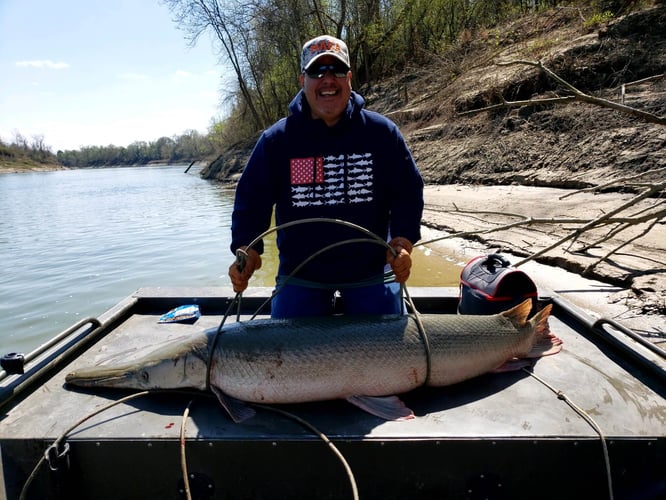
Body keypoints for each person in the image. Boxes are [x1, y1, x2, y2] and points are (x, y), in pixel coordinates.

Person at [228, 34, 424, 318]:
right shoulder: (276, 141)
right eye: (317, 71)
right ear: (302, 80)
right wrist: (247, 250)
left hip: (370, 268)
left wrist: (403, 242)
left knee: (389, 345)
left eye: (337, 70)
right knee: (286, 352)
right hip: (301, 272)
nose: (328, 79)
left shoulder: (382, 133)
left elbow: (407, 192)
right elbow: (251, 202)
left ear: (349, 78)